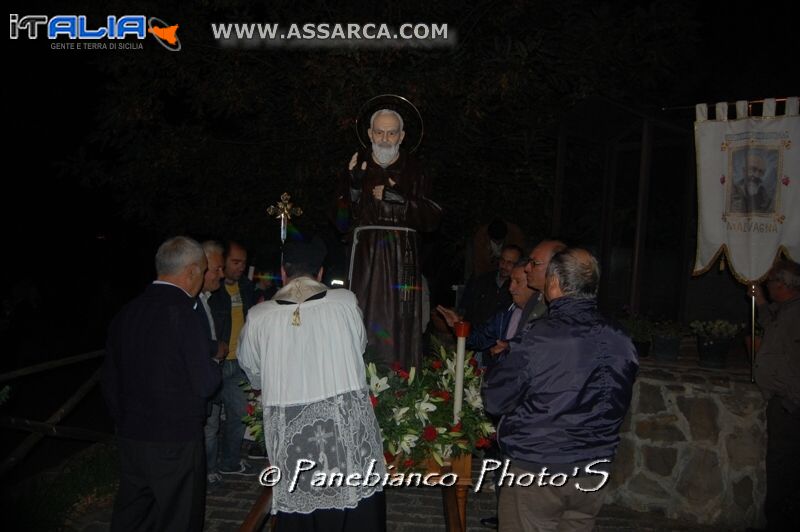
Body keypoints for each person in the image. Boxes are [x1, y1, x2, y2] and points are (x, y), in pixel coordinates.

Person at [238, 236, 387, 531]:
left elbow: (253, 372)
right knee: (353, 505)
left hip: (294, 436)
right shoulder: (344, 302)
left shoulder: (258, 317)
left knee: (301, 515)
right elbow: (359, 346)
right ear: (320, 273)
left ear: (283, 272)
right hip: (344, 432)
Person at [484, 248, 638, 531]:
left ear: (554, 283)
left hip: (539, 468)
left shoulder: (540, 336)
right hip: (593, 472)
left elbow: (496, 399)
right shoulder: (621, 338)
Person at [102, 236, 222, 531]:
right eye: (205, 270)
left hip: (132, 436)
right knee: (177, 517)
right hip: (175, 439)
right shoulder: (183, 313)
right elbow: (205, 383)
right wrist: (215, 363)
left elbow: (109, 378)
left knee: (134, 514)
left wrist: (123, 420)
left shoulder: (126, 313)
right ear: (192, 271)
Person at [337, 108, 442, 370]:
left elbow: (433, 217)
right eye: (380, 132)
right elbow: (340, 222)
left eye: (392, 133)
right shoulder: (355, 167)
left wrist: (398, 198)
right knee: (361, 317)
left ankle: (399, 383)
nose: (385, 138)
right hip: (365, 261)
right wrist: (352, 188)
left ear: (402, 136)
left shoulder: (416, 171)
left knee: (399, 324)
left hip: (400, 259)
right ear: (370, 133)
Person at [750, 258, 800, 530]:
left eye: (771, 282)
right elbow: (772, 322)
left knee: (784, 467)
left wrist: (792, 395)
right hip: (785, 401)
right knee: (781, 463)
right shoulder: (786, 309)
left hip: (791, 404)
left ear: (783, 285)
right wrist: (759, 302)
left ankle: (781, 523)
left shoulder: (796, 314)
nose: (768, 286)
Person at [207, 241, 258, 476]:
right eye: (235, 262)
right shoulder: (212, 292)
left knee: (239, 414)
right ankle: (208, 469)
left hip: (239, 362)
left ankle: (229, 463)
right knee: (211, 420)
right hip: (215, 363)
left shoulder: (246, 288)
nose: (240, 267)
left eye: (243, 263)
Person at [197, 240, 229, 486]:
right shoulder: (188, 303)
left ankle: (208, 468)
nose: (222, 274)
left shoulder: (212, 299)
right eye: (217, 269)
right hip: (197, 384)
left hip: (211, 377)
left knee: (212, 426)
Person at [460, 244, 523, 327]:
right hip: (476, 334)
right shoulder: (482, 281)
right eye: (502, 260)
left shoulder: (520, 288)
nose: (504, 265)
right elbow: (466, 309)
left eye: (510, 263)